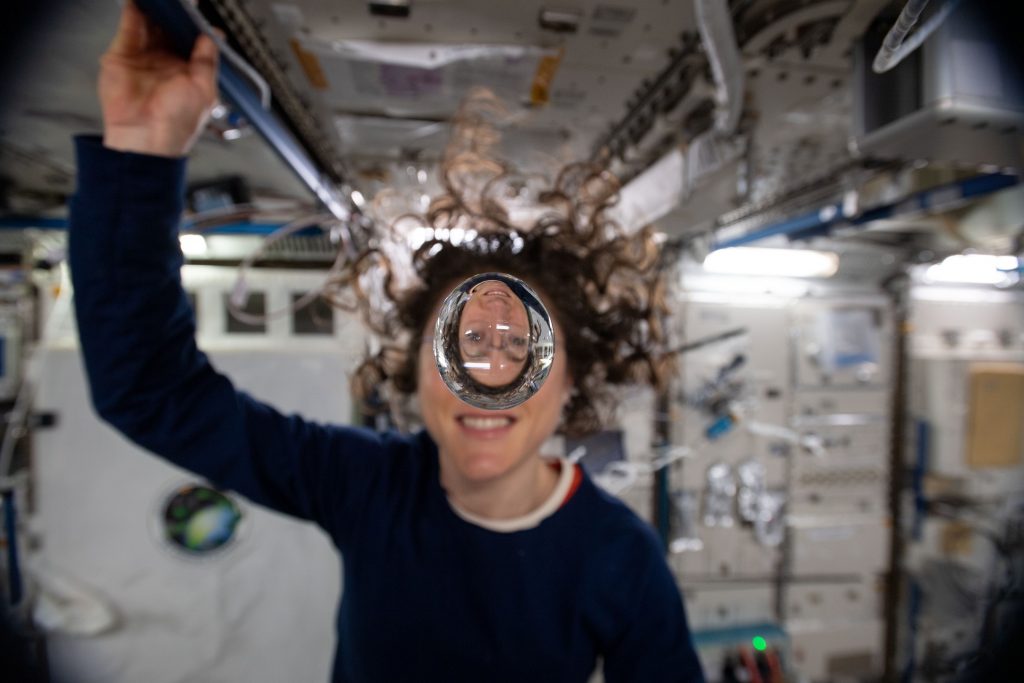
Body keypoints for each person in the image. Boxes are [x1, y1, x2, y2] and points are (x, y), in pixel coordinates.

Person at [68, 2, 705, 681]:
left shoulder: (619, 558)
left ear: (571, 379)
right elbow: (148, 389)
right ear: (416, 372)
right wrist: (140, 158)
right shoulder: (367, 485)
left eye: (521, 351)